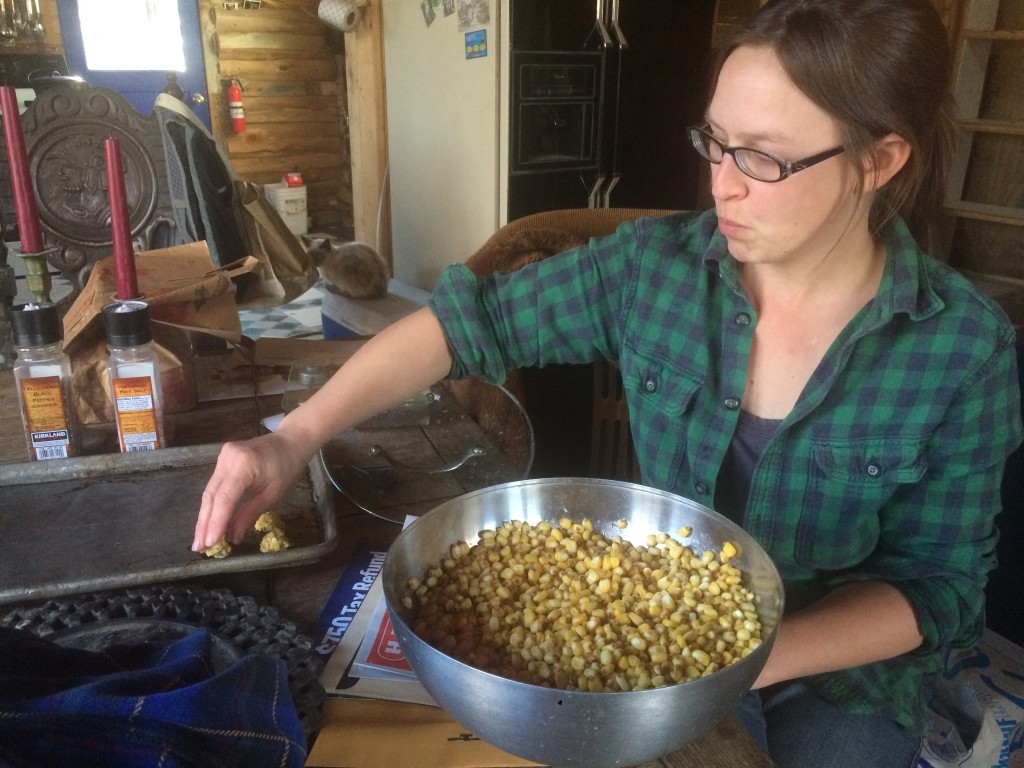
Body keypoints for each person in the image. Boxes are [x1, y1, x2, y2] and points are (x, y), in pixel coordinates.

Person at [193, 0, 1022, 765]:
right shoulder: (655, 270)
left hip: (839, 673)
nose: (720, 183)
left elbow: (938, 586)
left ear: (879, 160)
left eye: (762, 158)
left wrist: (726, 665)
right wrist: (291, 438)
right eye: (714, 141)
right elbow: (460, 326)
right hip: (649, 644)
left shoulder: (962, 349)